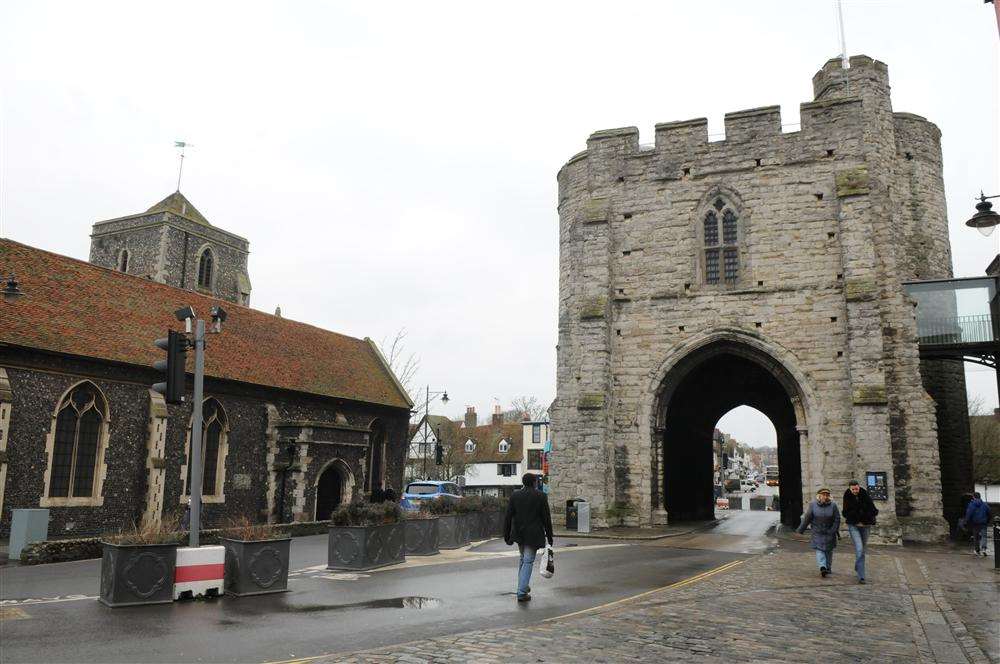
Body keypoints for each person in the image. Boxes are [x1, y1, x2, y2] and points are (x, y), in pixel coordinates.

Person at [503, 473, 554, 602]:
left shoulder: (515, 495)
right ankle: (521, 591)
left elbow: (508, 516)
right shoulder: (541, 496)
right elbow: (546, 518)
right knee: (528, 561)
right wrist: (549, 536)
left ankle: (523, 587)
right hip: (534, 534)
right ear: (534, 482)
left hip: (519, 534)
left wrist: (506, 535)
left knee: (523, 559)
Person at [796, 487, 841, 578]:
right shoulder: (813, 505)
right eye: (823, 495)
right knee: (820, 550)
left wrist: (833, 530)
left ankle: (828, 567)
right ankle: (822, 567)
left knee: (828, 550)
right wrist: (800, 530)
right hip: (817, 531)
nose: (825, 496)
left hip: (829, 531)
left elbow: (837, 518)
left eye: (827, 495)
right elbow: (807, 518)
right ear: (819, 496)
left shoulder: (833, 505)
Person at [842, 480, 878, 584]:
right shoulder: (847, 496)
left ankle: (858, 566)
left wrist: (864, 516)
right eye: (853, 489)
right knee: (859, 548)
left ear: (859, 487)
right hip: (854, 526)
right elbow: (846, 512)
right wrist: (857, 515)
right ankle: (861, 576)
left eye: (856, 489)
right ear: (850, 488)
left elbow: (873, 510)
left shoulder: (864, 494)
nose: (855, 491)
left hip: (866, 525)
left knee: (863, 550)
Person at [963, 492, 992, 557]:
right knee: (984, 536)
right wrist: (987, 520)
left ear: (974, 497)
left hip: (975, 523)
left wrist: (966, 521)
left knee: (976, 537)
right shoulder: (985, 505)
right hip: (983, 522)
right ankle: (984, 549)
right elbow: (989, 513)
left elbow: (969, 514)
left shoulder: (971, 504)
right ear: (980, 496)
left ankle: (977, 550)